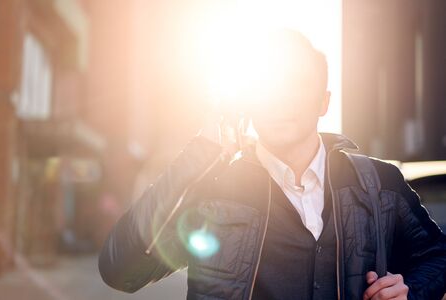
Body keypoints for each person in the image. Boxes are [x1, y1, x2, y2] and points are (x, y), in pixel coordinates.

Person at [98, 29, 446, 300]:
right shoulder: (214, 193)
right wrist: (203, 148)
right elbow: (121, 269)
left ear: (323, 102)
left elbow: (439, 256)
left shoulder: (379, 183)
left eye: (297, 83)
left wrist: (410, 291)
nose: (281, 98)